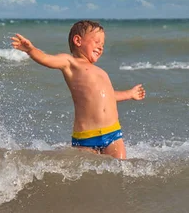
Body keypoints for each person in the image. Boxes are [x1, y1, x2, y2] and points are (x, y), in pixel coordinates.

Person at [11, 20, 145, 159]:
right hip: (86, 137)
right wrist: (31, 50)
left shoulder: (100, 72)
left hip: (113, 132)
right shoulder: (70, 62)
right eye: (97, 42)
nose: (101, 47)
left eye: (103, 45)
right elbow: (47, 59)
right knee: (87, 175)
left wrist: (130, 94)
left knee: (120, 169)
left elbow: (108, 96)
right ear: (78, 40)